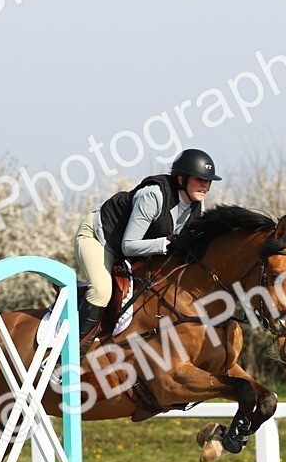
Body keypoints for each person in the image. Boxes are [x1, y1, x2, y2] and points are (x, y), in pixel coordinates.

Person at [73, 148, 222, 350]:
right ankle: (72, 352)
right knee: (101, 290)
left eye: (208, 181)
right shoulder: (153, 196)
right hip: (99, 237)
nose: (205, 185)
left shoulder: (197, 207)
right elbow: (128, 246)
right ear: (181, 179)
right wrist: (166, 243)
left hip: (129, 248)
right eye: (199, 179)